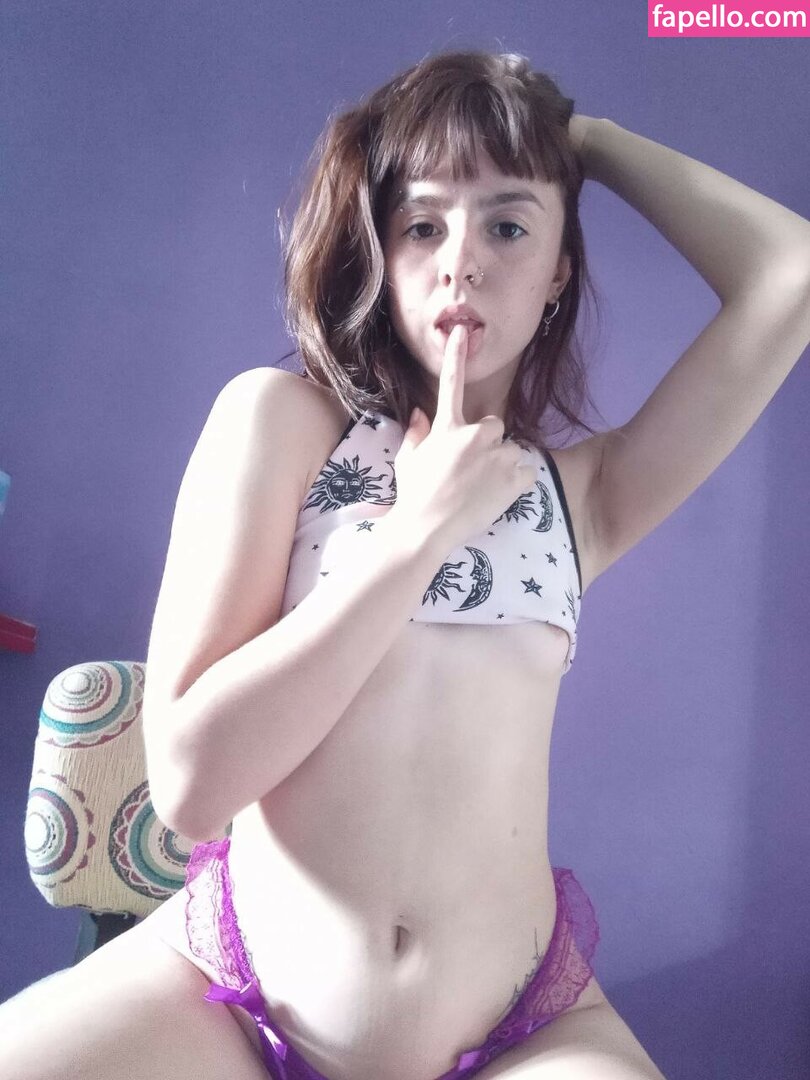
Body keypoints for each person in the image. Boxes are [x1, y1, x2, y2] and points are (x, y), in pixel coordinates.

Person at [3, 48, 809, 1080]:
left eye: (509, 225)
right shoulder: (279, 424)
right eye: (424, 224)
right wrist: (418, 530)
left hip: (520, 1029)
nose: (461, 260)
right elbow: (193, 790)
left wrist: (583, 142)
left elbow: (789, 273)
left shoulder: (586, 497)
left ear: (559, 270)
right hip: (224, 1000)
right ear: (383, 251)